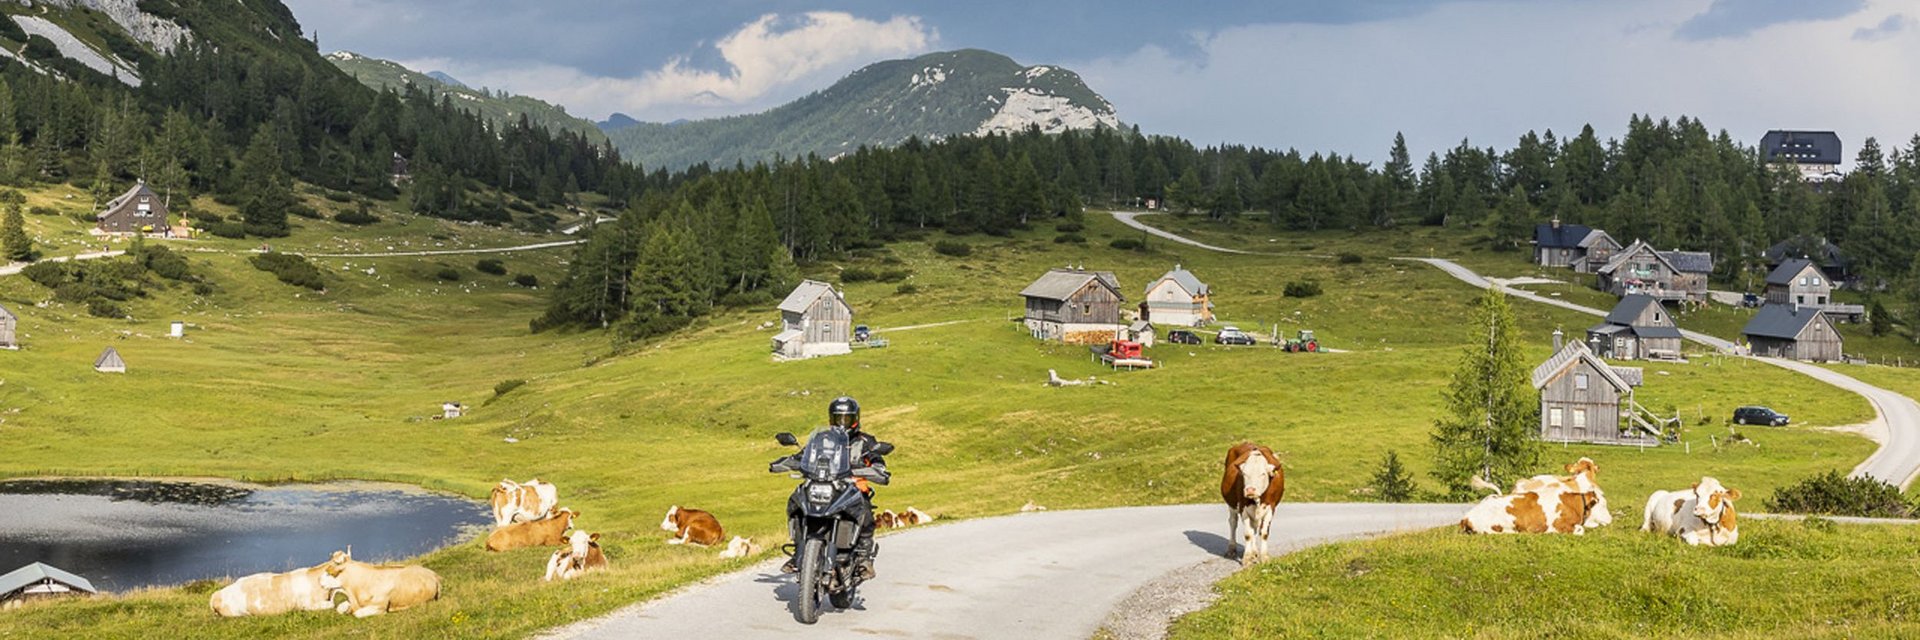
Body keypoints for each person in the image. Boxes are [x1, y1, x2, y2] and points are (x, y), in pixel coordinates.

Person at [781, 396, 888, 580]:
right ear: (831, 419)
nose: (842, 423)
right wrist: (788, 461)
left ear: (856, 419)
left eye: (846, 418)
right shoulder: (823, 438)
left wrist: (878, 468)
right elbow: (804, 454)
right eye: (838, 418)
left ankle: (863, 557)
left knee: (866, 512)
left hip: (853, 489)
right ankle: (799, 550)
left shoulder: (865, 441)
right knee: (797, 502)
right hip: (825, 484)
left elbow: (877, 460)